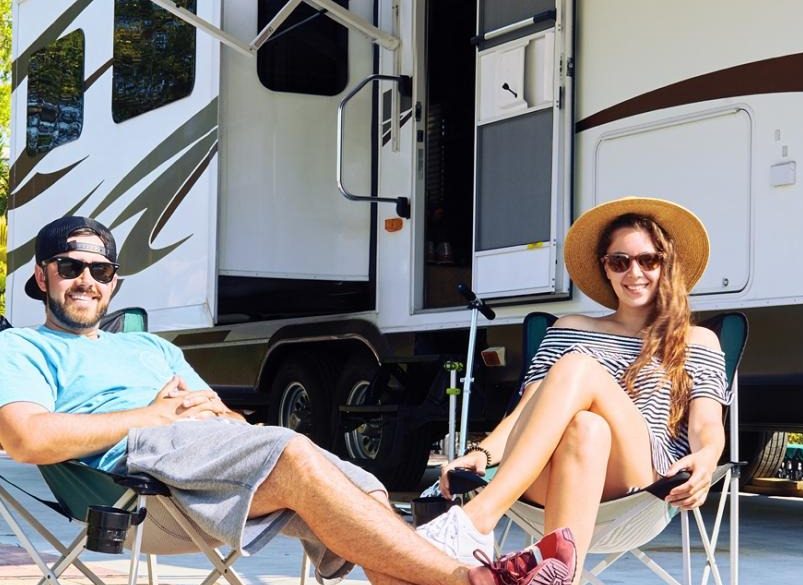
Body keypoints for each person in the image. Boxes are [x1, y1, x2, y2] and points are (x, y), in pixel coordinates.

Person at [0, 216, 578, 585]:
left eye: (101, 270)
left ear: (115, 281)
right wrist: (154, 414)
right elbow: (26, 439)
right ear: (42, 275)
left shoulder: (152, 346)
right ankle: (471, 579)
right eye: (71, 267)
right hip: (138, 490)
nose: (87, 281)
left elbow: (223, 418)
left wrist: (210, 411)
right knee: (293, 452)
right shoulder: (23, 348)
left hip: (207, 457)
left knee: (366, 490)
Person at [420, 197, 730, 581]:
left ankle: (477, 519)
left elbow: (705, 424)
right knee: (587, 427)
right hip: (548, 478)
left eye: (648, 260)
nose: (634, 272)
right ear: (606, 268)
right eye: (620, 261)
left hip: (640, 483)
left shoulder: (696, 341)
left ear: (667, 265)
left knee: (580, 368)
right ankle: (554, 571)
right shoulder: (571, 327)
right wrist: (482, 452)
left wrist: (708, 457)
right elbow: (529, 409)